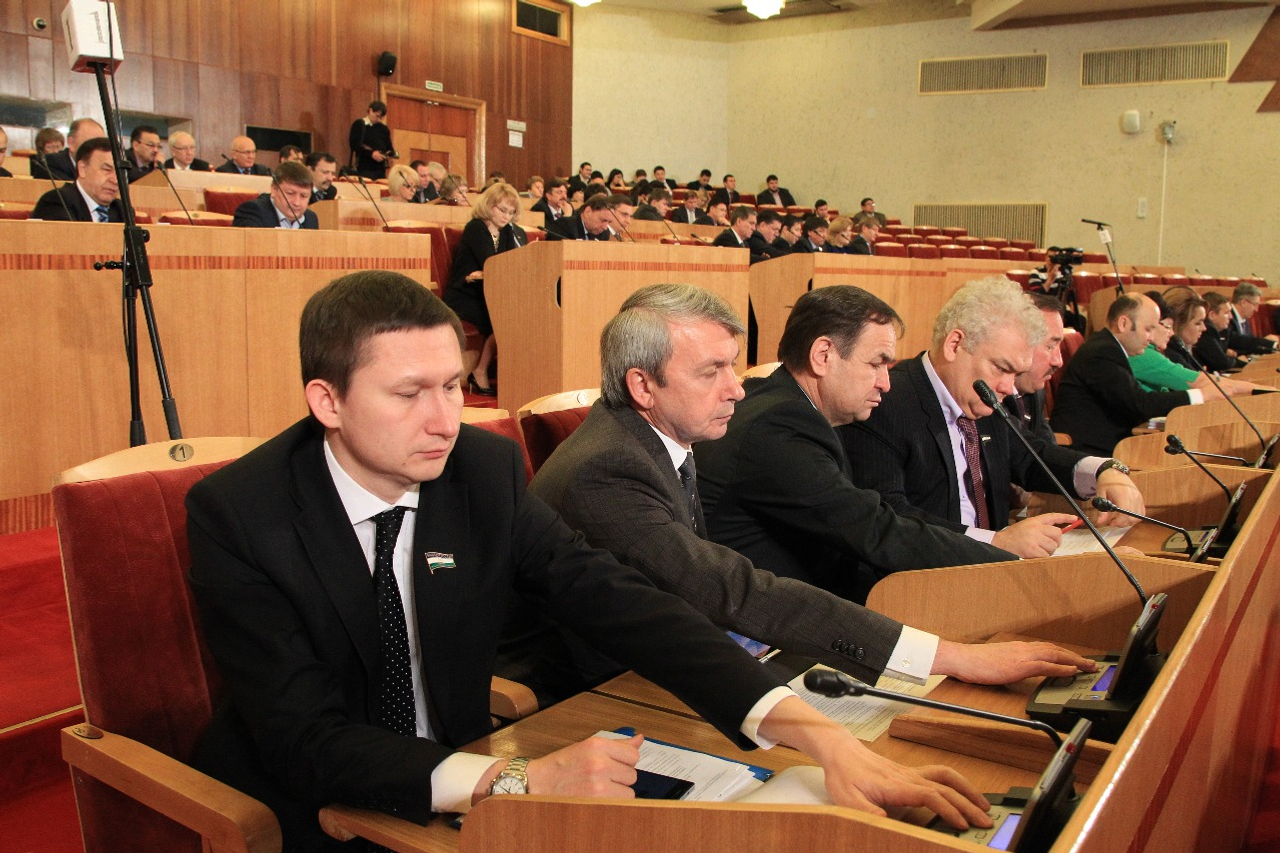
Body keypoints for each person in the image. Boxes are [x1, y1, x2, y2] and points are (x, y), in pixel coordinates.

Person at [186, 271, 995, 851]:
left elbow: (621, 599)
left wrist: (817, 735)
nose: (444, 420)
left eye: (454, 385)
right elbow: (308, 739)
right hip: (313, 812)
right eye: (409, 393)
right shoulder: (240, 513)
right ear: (327, 401)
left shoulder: (478, 469)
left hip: (469, 789)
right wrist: (517, 782)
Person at [511, 283, 1095, 705]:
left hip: (683, 656)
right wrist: (950, 656)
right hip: (590, 696)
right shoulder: (609, 467)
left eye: (733, 368)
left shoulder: (657, 438)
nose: (736, 390)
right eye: (712, 372)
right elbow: (729, 589)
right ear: (643, 385)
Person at [695, 286, 1018, 605]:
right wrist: (1007, 560)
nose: (885, 383)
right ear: (823, 356)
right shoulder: (778, 426)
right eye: (876, 363)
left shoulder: (787, 407)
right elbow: (875, 531)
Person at [838, 278, 1144, 560]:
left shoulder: (984, 398)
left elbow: (1032, 456)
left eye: (1016, 374)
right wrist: (995, 542)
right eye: (1001, 368)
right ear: (955, 345)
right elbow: (890, 518)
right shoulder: (886, 402)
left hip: (998, 570)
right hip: (930, 579)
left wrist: (1104, 470)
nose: (1009, 388)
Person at [1050, 293, 1203, 456]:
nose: (1151, 338)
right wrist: (1199, 395)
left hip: (1109, 445)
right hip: (1088, 451)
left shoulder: (1110, 347)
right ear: (1124, 323)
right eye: (1148, 329)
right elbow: (1140, 404)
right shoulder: (1102, 352)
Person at [442, 182, 527, 396]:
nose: (507, 216)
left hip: (488, 294)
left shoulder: (506, 232)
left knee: (515, 316)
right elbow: (492, 262)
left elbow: (509, 264)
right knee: (502, 319)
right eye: (502, 210)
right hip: (464, 295)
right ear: (489, 205)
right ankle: (480, 371)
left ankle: (498, 374)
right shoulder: (476, 228)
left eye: (511, 212)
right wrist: (492, 270)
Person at [1127, 292, 1250, 398]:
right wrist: (1251, 388)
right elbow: (1198, 382)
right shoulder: (1143, 354)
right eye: (1168, 326)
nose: (1172, 333)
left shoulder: (1157, 350)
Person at [31, 138, 123, 222]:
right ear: (82, 169)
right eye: (107, 170)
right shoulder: (57, 202)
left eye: (120, 173)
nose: (115, 180)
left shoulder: (121, 209)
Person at [231, 161, 318, 229]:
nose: (296, 202)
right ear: (274, 189)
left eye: (304, 196)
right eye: (290, 193)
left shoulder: (311, 219)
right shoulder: (252, 212)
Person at [32, 118, 103, 181]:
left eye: (100, 146)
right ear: (71, 143)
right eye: (90, 144)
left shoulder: (104, 167)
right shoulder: (51, 163)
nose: (96, 151)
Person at [1196, 291, 1249, 372]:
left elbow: (1241, 341)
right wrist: (1239, 361)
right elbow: (1222, 363)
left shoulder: (1223, 330)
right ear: (1212, 315)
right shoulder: (1207, 331)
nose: (1231, 317)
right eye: (1226, 313)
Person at [1161, 289, 1209, 372]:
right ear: (1178, 323)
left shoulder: (1184, 349)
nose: (1204, 328)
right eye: (1198, 323)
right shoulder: (1170, 353)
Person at [1228, 282, 1279, 352]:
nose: (1256, 309)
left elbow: (1250, 344)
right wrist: (1270, 344)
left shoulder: (1244, 319)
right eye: (1255, 305)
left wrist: (1272, 348)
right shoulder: (1227, 318)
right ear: (1244, 302)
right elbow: (1236, 343)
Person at [348, 100, 392, 179]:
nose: (379, 120)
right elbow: (354, 145)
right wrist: (371, 154)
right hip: (364, 168)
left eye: (381, 118)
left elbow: (389, 147)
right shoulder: (360, 124)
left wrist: (389, 155)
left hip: (380, 170)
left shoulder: (384, 129)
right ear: (370, 110)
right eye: (377, 116)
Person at [546, 192, 614, 241]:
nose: (605, 227)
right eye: (603, 220)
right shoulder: (564, 226)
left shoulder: (604, 234)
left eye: (609, 222)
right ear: (588, 212)